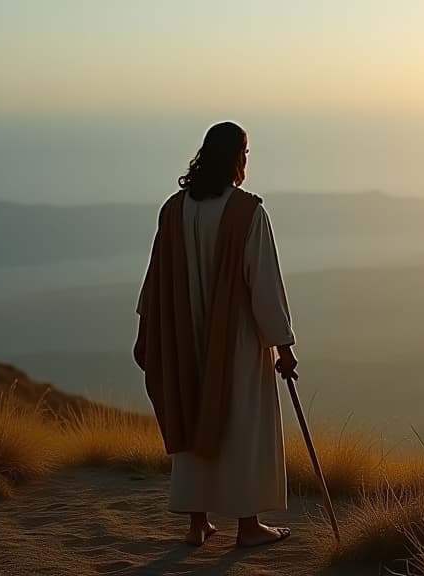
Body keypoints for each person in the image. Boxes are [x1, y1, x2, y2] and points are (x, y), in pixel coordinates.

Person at [134, 121, 298, 548]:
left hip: (182, 337)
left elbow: (155, 280)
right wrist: (283, 347)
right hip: (237, 343)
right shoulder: (248, 213)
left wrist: (145, 332)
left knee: (191, 420)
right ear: (235, 159)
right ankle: (248, 527)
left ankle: (197, 524)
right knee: (242, 427)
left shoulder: (173, 209)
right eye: (245, 153)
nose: (246, 161)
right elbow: (264, 285)